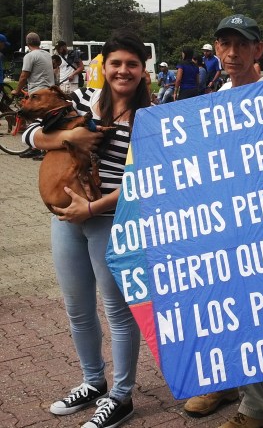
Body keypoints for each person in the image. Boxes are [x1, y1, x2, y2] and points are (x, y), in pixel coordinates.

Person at [23, 31, 150, 428]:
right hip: (66, 222)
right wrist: (70, 136)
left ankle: (121, 396)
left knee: (118, 311)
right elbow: (31, 135)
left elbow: (149, 180)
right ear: (103, 66)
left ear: (142, 70)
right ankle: (93, 382)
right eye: (116, 63)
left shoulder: (153, 118)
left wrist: (92, 207)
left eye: (131, 63)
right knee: (77, 308)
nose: (123, 71)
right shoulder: (84, 103)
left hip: (111, 220)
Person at [183, 13, 263, 428]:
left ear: (258, 49)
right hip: (219, 225)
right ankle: (222, 382)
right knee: (218, 306)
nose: (232, 53)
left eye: (242, 44)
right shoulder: (212, 100)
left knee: (259, 313)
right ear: (216, 49)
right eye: (225, 44)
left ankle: (256, 409)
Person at [12, 32, 54, 159]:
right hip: (49, 91)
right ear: (39, 42)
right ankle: (36, 147)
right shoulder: (47, 54)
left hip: (37, 93)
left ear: (27, 43)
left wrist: (17, 90)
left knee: (35, 119)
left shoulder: (30, 56)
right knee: (41, 119)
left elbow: (24, 75)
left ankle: (41, 149)